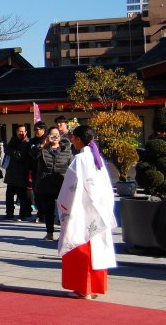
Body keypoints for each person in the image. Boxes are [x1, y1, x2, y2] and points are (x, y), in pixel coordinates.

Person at [57, 125, 117, 300]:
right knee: (97, 250)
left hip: (82, 211)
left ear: (78, 139)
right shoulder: (97, 159)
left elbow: (70, 187)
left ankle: (84, 289)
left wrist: (63, 205)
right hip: (98, 209)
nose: (72, 141)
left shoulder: (80, 159)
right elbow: (106, 187)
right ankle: (95, 287)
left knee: (80, 247)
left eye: (73, 138)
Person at [31, 126, 72, 241]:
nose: (55, 137)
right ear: (47, 136)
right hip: (46, 184)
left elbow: (72, 166)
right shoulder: (42, 149)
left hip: (62, 184)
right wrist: (42, 144)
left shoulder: (66, 150)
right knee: (48, 210)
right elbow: (33, 155)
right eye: (52, 134)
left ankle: (64, 234)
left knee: (64, 211)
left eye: (57, 134)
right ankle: (49, 232)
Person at [3, 125, 32, 221]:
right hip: (11, 172)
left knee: (22, 196)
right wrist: (13, 152)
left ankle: (23, 214)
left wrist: (11, 151)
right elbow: (7, 150)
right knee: (9, 195)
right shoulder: (13, 140)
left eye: (23, 131)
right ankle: (9, 213)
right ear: (16, 132)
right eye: (19, 131)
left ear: (26, 132)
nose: (21, 133)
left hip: (22, 173)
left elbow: (20, 156)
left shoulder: (27, 142)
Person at [28, 121, 47, 222]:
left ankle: (45, 214)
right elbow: (31, 155)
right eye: (34, 129)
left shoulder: (47, 140)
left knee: (45, 194)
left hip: (46, 171)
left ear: (43, 130)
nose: (36, 131)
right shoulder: (32, 141)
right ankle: (40, 213)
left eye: (38, 129)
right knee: (37, 194)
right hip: (35, 170)